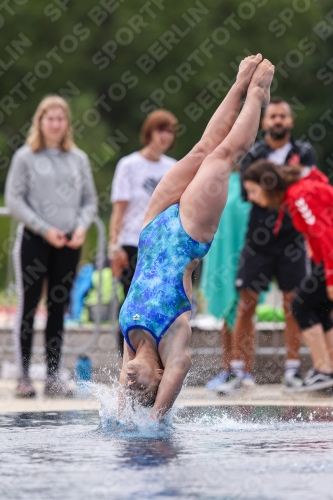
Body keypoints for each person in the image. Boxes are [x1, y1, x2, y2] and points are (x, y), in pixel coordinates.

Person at [118, 54, 275, 420]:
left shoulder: (129, 342)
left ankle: (238, 83)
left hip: (152, 225)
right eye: (139, 386)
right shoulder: (173, 342)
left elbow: (122, 404)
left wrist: (125, 410)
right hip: (189, 233)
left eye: (128, 386)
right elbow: (181, 370)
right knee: (222, 157)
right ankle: (255, 94)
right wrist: (155, 418)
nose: (128, 381)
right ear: (158, 375)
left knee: (202, 148)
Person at [217, 97, 317, 395]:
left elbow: (305, 189)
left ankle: (292, 370)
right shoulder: (254, 152)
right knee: (246, 304)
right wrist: (285, 182)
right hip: (258, 239)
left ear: (290, 121)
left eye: (283, 116)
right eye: (273, 116)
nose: (278, 121)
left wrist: (271, 182)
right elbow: (251, 193)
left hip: (292, 238)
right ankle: (239, 371)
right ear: (264, 122)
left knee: (293, 304)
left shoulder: (304, 152)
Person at [5, 95, 97, 398]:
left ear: (67, 123)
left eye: (60, 118)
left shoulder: (79, 158)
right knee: (29, 306)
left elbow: (90, 200)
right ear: (40, 122)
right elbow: (14, 200)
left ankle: (54, 374)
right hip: (35, 240)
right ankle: (23, 377)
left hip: (69, 242)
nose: (55, 123)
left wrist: (82, 226)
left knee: (59, 307)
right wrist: (45, 230)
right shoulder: (24, 158)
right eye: (49, 118)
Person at [242, 160, 333, 391]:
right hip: (326, 259)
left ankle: (324, 370)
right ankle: (327, 368)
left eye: (253, 191)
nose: (251, 197)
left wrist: (330, 276)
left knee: (300, 305)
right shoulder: (297, 193)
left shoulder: (299, 194)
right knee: (319, 307)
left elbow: (326, 235)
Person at [109, 110, 178, 355]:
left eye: (170, 131)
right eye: (161, 130)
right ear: (149, 132)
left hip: (161, 246)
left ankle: (155, 363)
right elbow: (119, 209)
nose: (165, 136)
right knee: (132, 306)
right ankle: (128, 362)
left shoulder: (173, 167)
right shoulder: (129, 165)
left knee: (159, 307)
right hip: (132, 243)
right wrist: (114, 246)